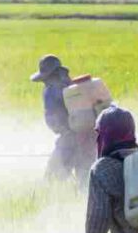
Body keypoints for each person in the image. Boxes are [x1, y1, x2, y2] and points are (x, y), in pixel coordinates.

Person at [30, 54, 96, 184]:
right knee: (85, 181)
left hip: (69, 139)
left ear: (48, 75)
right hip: (90, 137)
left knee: (51, 180)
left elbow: (54, 119)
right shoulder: (71, 85)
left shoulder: (50, 91)